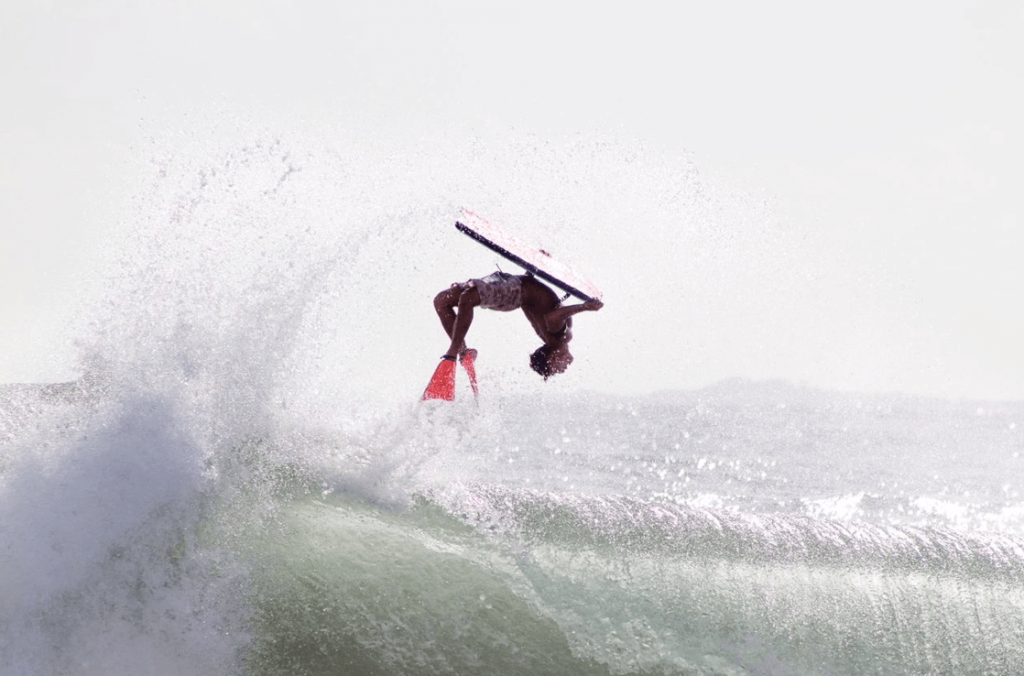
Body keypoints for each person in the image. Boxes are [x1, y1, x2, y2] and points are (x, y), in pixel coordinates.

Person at [433, 271, 603, 380]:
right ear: (552, 358)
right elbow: (552, 315)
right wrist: (585, 307)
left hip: (512, 290)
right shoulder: (559, 339)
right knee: (442, 301)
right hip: (514, 288)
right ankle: (458, 352)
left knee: (464, 299)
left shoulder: (555, 339)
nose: (562, 370)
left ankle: (459, 352)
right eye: (556, 370)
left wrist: (584, 307)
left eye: (556, 371)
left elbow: (549, 313)